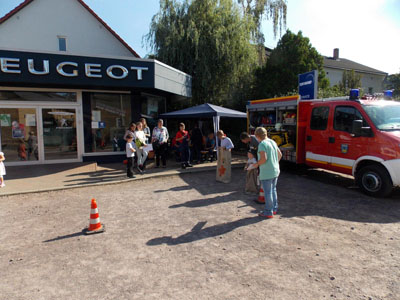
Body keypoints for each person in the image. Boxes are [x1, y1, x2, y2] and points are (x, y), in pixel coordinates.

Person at [252, 127, 282, 219]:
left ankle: (268, 211)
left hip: (267, 172)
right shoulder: (272, 142)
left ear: (257, 136)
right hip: (275, 170)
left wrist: (256, 164)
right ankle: (274, 209)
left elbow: (263, 159)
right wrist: (274, 163)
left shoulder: (262, 144)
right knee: (273, 190)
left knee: (268, 192)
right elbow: (280, 154)